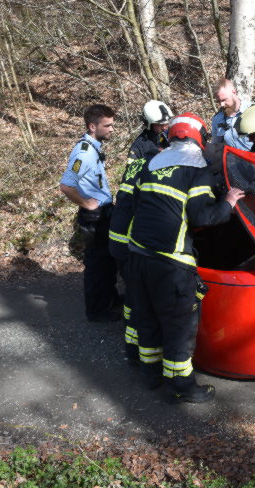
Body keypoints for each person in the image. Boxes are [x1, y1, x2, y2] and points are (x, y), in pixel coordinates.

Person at [127, 112, 245, 402]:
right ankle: (182, 385)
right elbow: (201, 215)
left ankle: (149, 374)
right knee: (180, 325)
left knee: (148, 317)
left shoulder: (152, 165)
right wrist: (228, 203)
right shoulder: (197, 169)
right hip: (171, 262)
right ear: (199, 138)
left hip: (138, 255)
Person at [109, 100, 173, 363]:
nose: (165, 127)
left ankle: (132, 336)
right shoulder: (141, 150)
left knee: (135, 293)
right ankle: (136, 349)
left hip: (121, 234)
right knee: (137, 296)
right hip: (126, 242)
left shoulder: (140, 164)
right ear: (149, 124)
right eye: (160, 124)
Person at [60, 104, 121, 322]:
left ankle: (110, 299)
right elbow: (66, 185)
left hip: (104, 213)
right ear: (93, 126)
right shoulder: (83, 153)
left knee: (107, 262)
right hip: (95, 217)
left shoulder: (93, 148)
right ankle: (97, 310)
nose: (112, 129)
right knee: (97, 265)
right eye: (108, 125)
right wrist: (86, 204)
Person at [210, 78, 252, 151]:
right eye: (218, 101)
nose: (222, 105)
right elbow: (216, 148)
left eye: (224, 100)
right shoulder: (217, 120)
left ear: (234, 92)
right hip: (231, 160)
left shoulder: (254, 111)